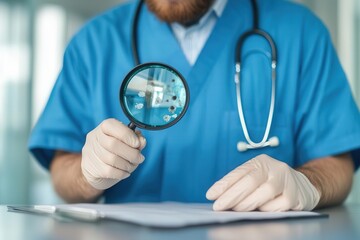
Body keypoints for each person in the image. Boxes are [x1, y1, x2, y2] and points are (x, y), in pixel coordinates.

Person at [29, 0, 360, 212]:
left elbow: (338, 162)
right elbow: (62, 168)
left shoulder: (301, 32)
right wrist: (88, 175)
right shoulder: (93, 43)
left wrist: (308, 184)